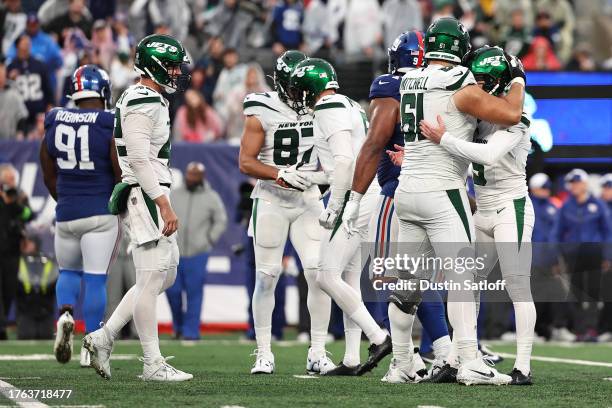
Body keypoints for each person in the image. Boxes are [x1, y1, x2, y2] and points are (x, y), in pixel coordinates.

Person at [343, 17, 526, 385]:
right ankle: (471, 361)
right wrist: (518, 78)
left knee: (406, 286)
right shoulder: (458, 79)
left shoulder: (408, 79)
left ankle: (401, 363)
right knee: (463, 280)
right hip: (443, 192)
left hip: (406, 193)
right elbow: (511, 113)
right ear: (459, 47)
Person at [417, 46, 535, 385]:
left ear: (499, 84)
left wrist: (444, 139)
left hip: (509, 208)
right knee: (466, 285)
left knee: (517, 285)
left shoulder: (517, 118)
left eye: (484, 81)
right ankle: (457, 358)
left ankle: (523, 366)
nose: (477, 86)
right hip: (481, 210)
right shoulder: (478, 115)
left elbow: (487, 155)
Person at [342, 30, 452, 382]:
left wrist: (355, 197)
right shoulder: (444, 84)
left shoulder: (390, 85)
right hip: (441, 188)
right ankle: (441, 355)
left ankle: (411, 360)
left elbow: (375, 143)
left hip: (397, 192)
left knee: (396, 277)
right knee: (418, 277)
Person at [83, 34, 193, 382]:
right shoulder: (144, 100)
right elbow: (140, 159)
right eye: (172, 66)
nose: (177, 72)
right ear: (155, 65)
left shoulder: (148, 97)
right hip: (147, 193)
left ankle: (104, 336)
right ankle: (152, 364)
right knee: (151, 278)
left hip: (151, 191)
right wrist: (162, 202)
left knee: (166, 273)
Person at [289, 57, 392, 376]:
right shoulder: (348, 103)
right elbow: (343, 161)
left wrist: (335, 204)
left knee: (325, 275)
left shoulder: (327, 107)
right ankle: (349, 358)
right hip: (365, 190)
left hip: (353, 194)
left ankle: (378, 337)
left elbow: (345, 162)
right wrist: (315, 178)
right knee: (347, 278)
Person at [238, 50, 334, 375]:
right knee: (266, 277)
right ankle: (263, 351)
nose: (302, 93)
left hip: (307, 198)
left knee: (319, 275)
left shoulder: (320, 102)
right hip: (271, 198)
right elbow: (245, 161)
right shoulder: (260, 107)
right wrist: (279, 174)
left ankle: (318, 351)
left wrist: (322, 177)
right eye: (296, 86)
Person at [39, 65, 120, 366]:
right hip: (99, 211)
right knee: (96, 279)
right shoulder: (108, 122)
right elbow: (118, 170)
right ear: (102, 90)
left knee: (68, 272)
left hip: (67, 211)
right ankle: (92, 345)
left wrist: (66, 201)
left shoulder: (55, 118)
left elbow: (48, 173)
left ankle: (65, 315)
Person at [166, 162, 228, 340]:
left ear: (202, 177)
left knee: (194, 293)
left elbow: (221, 220)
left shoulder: (211, 197)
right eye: (190, 174)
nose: (192, 178)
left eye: (196, 175)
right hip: (174, 251)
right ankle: (178, 327)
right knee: (173, 292)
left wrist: (209, 239)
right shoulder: (174, 195)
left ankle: (191, 332)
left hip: (198, 252)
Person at [552, 169, 611, 341]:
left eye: (577, 182)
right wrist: (558, 255)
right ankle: (578, 330)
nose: (574, 186)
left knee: (594, 293)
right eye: (572, 183)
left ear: (585, 184)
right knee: (575, 293)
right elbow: (557, 233)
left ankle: (591, 330)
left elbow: (607, 231)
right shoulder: (566, 206)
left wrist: (607, 255)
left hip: (594, 254)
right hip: (573, 255)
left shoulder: (598, 204)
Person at [0, 164, 33, 340]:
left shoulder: (20, 196)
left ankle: (3, 324)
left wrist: (15, 205)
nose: (11, 183)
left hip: (12, 250)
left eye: (13, 179)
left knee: (9, 289)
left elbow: (29, 214)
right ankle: (1, 328)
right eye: (8, 180)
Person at [7, 34, 54, 133]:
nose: (26, 47)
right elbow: (5, 93)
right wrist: (9, 79)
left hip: (39, 115)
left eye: (28, 44)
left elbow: (48, 91)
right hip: (18, 117)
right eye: (23, 44)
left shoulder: (40, 64)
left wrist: (49, 114)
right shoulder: (10, 67)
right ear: (17, 46)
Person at [15, 234, 58, 340]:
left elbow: (53, 281)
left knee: (46, 336)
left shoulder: (47, 262)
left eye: (29, 242)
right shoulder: (17, 261)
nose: (25, 245)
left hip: (45, 309)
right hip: (26, 309)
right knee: (26, 336)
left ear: (36, 244)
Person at [6, 13, 63, 91]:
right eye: (30, 25)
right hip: (23, 78)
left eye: (34, 25)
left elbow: (59, 60)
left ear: (38, 25)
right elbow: (9, 58)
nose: (32, 27)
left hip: (44, 78)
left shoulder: (47, 40)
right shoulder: (20, 39)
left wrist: (46, 68)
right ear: (26, 25)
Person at [0, 56, 28, 140]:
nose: (1, 72)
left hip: (10, 143)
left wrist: (20, 133)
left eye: (2, 68)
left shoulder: (13, 91)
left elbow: (22, 116)